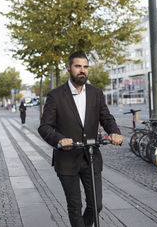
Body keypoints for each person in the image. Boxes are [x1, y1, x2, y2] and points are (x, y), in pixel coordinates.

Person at [38, 51, 122, 227]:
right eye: (78, 66)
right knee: (75, 206)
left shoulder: (96, 93)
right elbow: (45, 127)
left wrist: (114, 132)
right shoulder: (56, 95)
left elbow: (106, 118)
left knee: (96, 205)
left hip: (91, 157)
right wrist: (60, 140)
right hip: (67, 159)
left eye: (85, 67)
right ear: (69, 68)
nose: (82, 70)